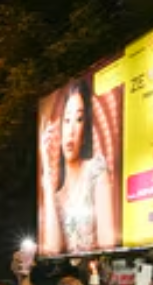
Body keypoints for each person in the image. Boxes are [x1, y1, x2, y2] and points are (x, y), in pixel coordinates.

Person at [39, 79, 116, 254]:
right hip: (67, 278)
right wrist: (44, 162)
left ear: (86, 126)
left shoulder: (96, 170)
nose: (71, 130)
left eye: (79, 119)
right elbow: (53, 248)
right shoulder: (56, 196)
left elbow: (108, 242)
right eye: (66, 120)